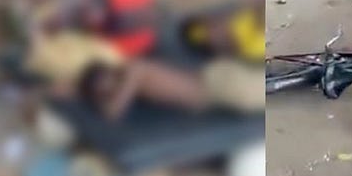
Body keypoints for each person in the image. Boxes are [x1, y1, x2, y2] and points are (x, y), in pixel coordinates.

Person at [76, 55, 262, 120]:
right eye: (102, 93)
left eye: (104, 87)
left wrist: (74, 96)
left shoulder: (134, 70)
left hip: (217, 85)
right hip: (214, 90)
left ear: (108, 73)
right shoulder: (131, 82)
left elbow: (113, 112)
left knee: (257, 95)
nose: (108, 92)